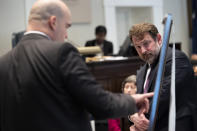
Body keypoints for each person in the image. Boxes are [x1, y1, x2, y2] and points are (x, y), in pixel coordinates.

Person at [0, 1, 154, 131]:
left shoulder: (4, 62)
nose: (66, 35)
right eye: (66, 26)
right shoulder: (61, 52)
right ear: (53, 22)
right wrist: (132, 100)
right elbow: (100, 104)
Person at [129, 22, 197, 131]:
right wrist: (133, 117)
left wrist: (139, 121)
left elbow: (162, 98)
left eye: (146, 43)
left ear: (159, 39)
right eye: (138, 47)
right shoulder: (142, 71)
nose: (143, 51)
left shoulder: (176, 59)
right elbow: (137, 102)